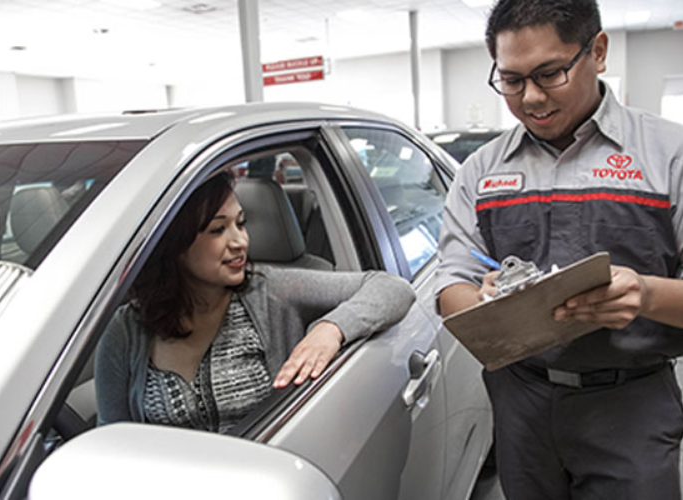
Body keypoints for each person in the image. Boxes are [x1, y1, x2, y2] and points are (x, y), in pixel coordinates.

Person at [435, 1, 683, 498]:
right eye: (510, 80)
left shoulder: (668, 156)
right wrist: (485, 303)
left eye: (549, 74)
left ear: (598, 50)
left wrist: (646, 295)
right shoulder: (481, 171)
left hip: (629, 403)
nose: (530, 98)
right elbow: (450, 282)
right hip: (520, 400)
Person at [96, 170, 415, 433]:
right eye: (218, 230)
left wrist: (330, 329)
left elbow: (391, 288)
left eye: (241, 223)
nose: (240, 241)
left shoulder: (271, 289)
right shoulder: (126, 332)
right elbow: (112, 442)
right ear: (174, 242)